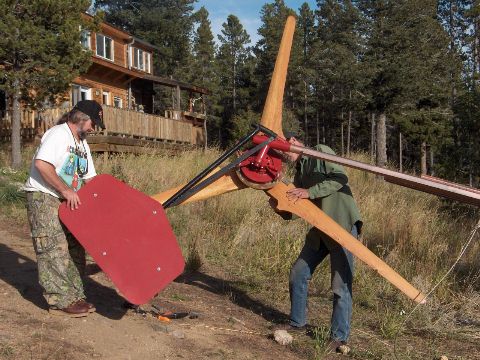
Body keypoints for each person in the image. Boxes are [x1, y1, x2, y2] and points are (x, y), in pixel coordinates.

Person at [272, 134, 362, 355]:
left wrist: (309, 192)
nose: (284, 155)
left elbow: (340, 177)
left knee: (340, 285)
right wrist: (277, 201)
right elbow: (296, 209)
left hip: (341, 224)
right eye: (280, 154)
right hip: (320, 230)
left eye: (284, 148)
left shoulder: (319, 150)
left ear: (294, 140)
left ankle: (339, 337)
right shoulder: (300, 172)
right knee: (298, 273)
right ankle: (297, 322)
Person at [23, 100, 105, 317]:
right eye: (92, 123)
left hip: (69, 201)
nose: (93, 128)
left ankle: (74, 295)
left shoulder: (82, 144)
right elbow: (42, 164)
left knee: (75, 248)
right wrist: (66, 190)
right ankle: (59, 301)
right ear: (80, 118)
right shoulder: (58, 134)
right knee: (53, 248)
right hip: (45, 196)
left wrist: (107, 203)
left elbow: (90, 178)